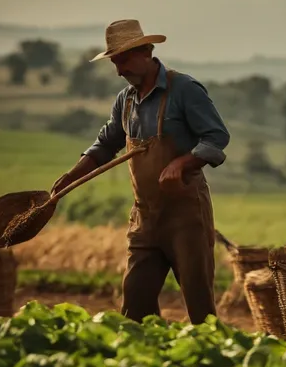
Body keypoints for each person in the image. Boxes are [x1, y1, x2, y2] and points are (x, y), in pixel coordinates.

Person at [52, 19, 230, 324]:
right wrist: (70, 178)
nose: (120, 70)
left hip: (186, 216)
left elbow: (217, 138)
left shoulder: (184, 89)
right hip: (145, 219)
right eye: (115, 63)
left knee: (200, 308)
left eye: (123, 59)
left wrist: (181, 163)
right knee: (134, 307)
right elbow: (106, 144)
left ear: (147, 51)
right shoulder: (126, 101)